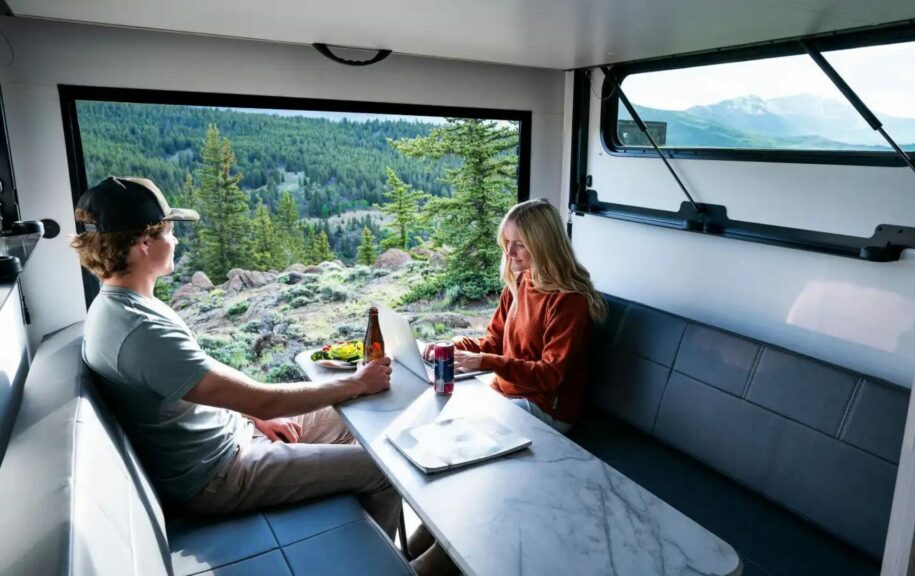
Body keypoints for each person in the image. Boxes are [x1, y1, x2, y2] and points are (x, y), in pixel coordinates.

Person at [70, 177, 412, 548]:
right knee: (383, 468)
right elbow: (261, 398)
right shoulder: (139, 331)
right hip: (217, 475)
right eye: (169, 230)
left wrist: (254, 417)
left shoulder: (128, 306)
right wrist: (356, 382)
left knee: (357, 413)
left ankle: (349, 528)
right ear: (144, 243)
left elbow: (216, 383)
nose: (177, 240)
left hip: (233, 436)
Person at [423, 199, 607, 433]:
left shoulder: (569, 299)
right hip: (506, 392)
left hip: (546, 408)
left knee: (464, 430)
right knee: (444, 414)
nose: (509, 253)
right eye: (507, 243)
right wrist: (452, 347)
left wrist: (484, 361)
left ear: (544, 245)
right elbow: (494, 343)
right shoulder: (519, 282)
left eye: (519, 244)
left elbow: (550, 375)